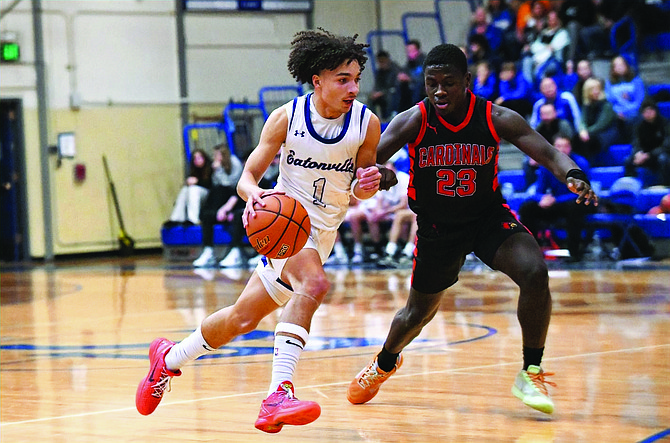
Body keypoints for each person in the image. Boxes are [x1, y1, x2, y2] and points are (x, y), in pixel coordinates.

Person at [136, 29, 386, 433]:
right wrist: (254, 194)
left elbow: (357, 190)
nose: (353, 87)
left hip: (323, 235)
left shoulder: (367, 124)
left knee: (240, 319)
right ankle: (278, 394)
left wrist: (365, 186)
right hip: (287, 228)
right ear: (317, 79)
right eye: (343, 78)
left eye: (357, 78)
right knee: (315, 285)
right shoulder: (287, 118)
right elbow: (247, 176)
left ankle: (166, 359)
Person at [346, 43, 597, 416]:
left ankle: (530, 370)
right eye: (432, 83)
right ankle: (385, 362)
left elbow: (547, 153)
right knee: (416, 315)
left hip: (487, 218)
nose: (440, 91)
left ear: (467, 80)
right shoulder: (413, 120)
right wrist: (380, 176)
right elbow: (363, 166)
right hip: (437, 228)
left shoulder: (496, 116)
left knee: (534, 271)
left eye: (449, 82)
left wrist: (573, 175)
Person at [519, 135, 594, 262]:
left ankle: (573, 252)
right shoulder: (547, 165)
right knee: (527, 207)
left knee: (574, 206)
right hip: (557, 203)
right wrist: (542, 199)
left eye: (565, 146)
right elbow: (539, 190)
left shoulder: (580, 163)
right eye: (558, 146)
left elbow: (581, 192)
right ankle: (533, 252)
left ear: (570, 148)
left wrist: (555, 200)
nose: (562, 149)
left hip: (579, 202)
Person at [192, 144, 245, 268]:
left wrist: (226, 209)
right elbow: (217, 185)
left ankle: (236, 252)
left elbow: (232, 184)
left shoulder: (235, 163)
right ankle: (208, 251)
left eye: (217, 155)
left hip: (237, 197)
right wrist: (216, 170)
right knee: (207, 215)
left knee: (237, 215)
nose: (214, 158)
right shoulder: (216, 167)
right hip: (225, 198)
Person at [624, 99, 670, 187]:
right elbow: (636, 142)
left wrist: (649, 154)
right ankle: (630, 186)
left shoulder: (665, 124)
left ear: (655, 111)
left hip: (659, 154)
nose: (648, 114)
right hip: (644, 155)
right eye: (645, 111)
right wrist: (638, 153)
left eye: (650, 110)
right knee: (628, 161)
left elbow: (667, 145)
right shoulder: (639, 126)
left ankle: (665, 185)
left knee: (663, 159)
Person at [575, 77, 619, 164]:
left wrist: (587, 132)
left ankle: (594, 164)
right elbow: (582, 121)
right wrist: (582, 131)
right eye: (592, 89)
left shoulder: (606, 105)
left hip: (607, 132)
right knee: (576, 138)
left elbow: (602, 124)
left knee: (591, 140)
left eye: (597, 89)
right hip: (592, 132)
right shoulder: (586, 105)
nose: (596, 91)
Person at [164, 148, 213, 227]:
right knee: (185, 190)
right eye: (195, 159)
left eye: (199, 158)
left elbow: (211, 184)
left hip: (208, 194)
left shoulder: (211, 168)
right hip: (196, 193)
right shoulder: (194, 170)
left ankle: (193, 219)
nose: (197, 160)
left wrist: (197, 181)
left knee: (193, 189)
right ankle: (176, 218)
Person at [521, 10, 570, 86]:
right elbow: (535, 47)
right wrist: (545, 47)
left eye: (554, 19)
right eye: (550, 19)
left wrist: (542, 47)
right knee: (526, 61)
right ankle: (529, 86)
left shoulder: (562, 32)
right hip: (537, 58)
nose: (552, 22)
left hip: (552, 61)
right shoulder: (544, 33)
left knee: (542, 70)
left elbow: (555, 47)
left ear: (558, 20)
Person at [605, 55, 646, 144]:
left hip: (634, 113)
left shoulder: (636, 81)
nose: (619, 67)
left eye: (621, 65)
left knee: (636, 120)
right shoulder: (609, 83)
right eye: (616, 65)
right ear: (613, 69)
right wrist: (617, 113)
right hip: (617, 115)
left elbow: (640, 101)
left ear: (627, 66)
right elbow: (609, 102)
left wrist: (627, 112)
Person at [392, 40, 426, 114]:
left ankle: (415, 111)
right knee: (399, 86)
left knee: (417, 86)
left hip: (421, 87)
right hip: (410, 87)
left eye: (412, 51)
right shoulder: (409, 64)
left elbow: (423, 78)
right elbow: (404, 72)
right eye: (408, 51)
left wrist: (409, 79)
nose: (409, 54)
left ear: (418, 51)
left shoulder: (425, 62)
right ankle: (397, 112)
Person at [368, 50, 402, 121]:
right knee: (371, 98)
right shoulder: (380, 72)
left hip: (393, 92)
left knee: (391, 95)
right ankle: (373, 119)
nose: (381, 64)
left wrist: (382, 92)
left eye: (383, 61)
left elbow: (396, 85)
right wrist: (375, 92)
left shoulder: (395, 69)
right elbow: (377, 85)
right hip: (383, 94)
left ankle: (389, 117)